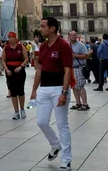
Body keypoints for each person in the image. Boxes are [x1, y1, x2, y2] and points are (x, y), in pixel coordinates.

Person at [30, 17, 73, 171]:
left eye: (42, 26)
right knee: (41, 121)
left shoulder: (63, 45)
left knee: (62, 124)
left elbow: (68, 69)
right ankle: (55, 145)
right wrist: (34, 90)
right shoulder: (42, 46)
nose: (40, 29)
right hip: (44, 88)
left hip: (58, 88)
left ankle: (66, 159)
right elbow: (39, 69)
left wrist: (64, 92)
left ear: (52, 28)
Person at [2, 31, 28, 119]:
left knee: (20, 90)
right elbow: (3, 60)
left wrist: (21, 66)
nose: (11, 39)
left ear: (15, 38)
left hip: (19, 70)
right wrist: (6, 69)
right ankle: (16, 112)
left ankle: (22, 109)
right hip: (10, 71)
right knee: (13, 92)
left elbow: (26, 58)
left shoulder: (21, 47)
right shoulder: (6, 48)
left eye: (12, 37)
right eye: (9, 37)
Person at [69, 30, 90, 111]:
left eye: (74, 35)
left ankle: (85, 104)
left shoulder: (81, 45)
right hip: (71, 68)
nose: (73, 36)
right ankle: (78, 103)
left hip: (79, 67)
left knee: (80, 86)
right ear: (69, 36)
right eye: (71, 35)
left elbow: (86, 56)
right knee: (74, 86)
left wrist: (75, 56)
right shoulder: (68, 45)